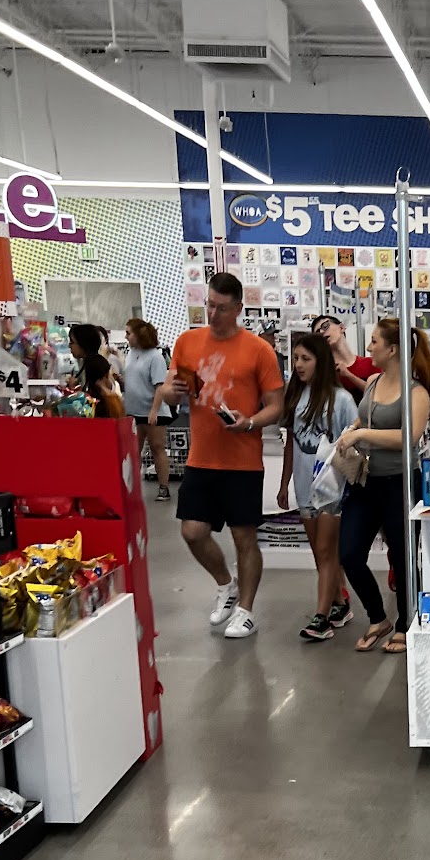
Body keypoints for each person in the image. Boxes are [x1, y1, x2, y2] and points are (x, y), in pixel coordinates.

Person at [157, 271, 285, 641]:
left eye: (222, 308)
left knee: (245, 538)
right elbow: (170, 391)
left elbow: (276, 407)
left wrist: (249, 422)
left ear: (238, 308)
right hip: (201, 457)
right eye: (209, 305)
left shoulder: (258, 350)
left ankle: (246, 610)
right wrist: (172, 391)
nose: (213, 314)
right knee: (192, 531)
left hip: (243, 461)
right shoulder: (187, 342)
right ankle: (225, 584)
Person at [332, 317, 430, 655]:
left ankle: (406, 624)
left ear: (392, 349)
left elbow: (409, 437)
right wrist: (352, 431)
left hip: (400, 484)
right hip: (365, 482)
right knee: (349, 554)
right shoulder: (373, 382)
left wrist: (363, 434)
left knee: (403, 559)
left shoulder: (417, 392)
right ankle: (378, 618)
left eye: (375, 341)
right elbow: (365, 416)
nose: (369, 348)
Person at [278, 331, 358, 643]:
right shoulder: (295, 396)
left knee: (325, 550)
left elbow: (356, 441)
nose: (299, 364)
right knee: (319, 553)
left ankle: (321, 617)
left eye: (306, 359)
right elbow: (290, 444)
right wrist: (284, 483)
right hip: (303, 486)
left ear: (320, 361)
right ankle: (340, 602)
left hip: (332, 488)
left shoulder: (342, 400)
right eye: (296, 358)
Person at [123, 317, 172, 501]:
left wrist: (154, 410)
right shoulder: (130, 354)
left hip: (153, 410)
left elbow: (160, 386)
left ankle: (164, 487)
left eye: (128, 333)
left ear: (138, 334)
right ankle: (132, 488)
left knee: (157, 447)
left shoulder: (155, 356)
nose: (126, 336)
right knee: (133, 451)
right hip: (133, 410)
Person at [62, 324, 124, 418]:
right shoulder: (86, 363)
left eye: (72, 342)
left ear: (83, 344)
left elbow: (93, 396)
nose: (69, 346)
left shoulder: (94, 364)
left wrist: (73, 389)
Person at [316, 315, 377, 400]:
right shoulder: (324, 373)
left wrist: (349, 375)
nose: (322, 332)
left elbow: (379, 396)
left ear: (341, 327)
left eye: (325, 326)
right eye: (317, 333)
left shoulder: (371, 363)